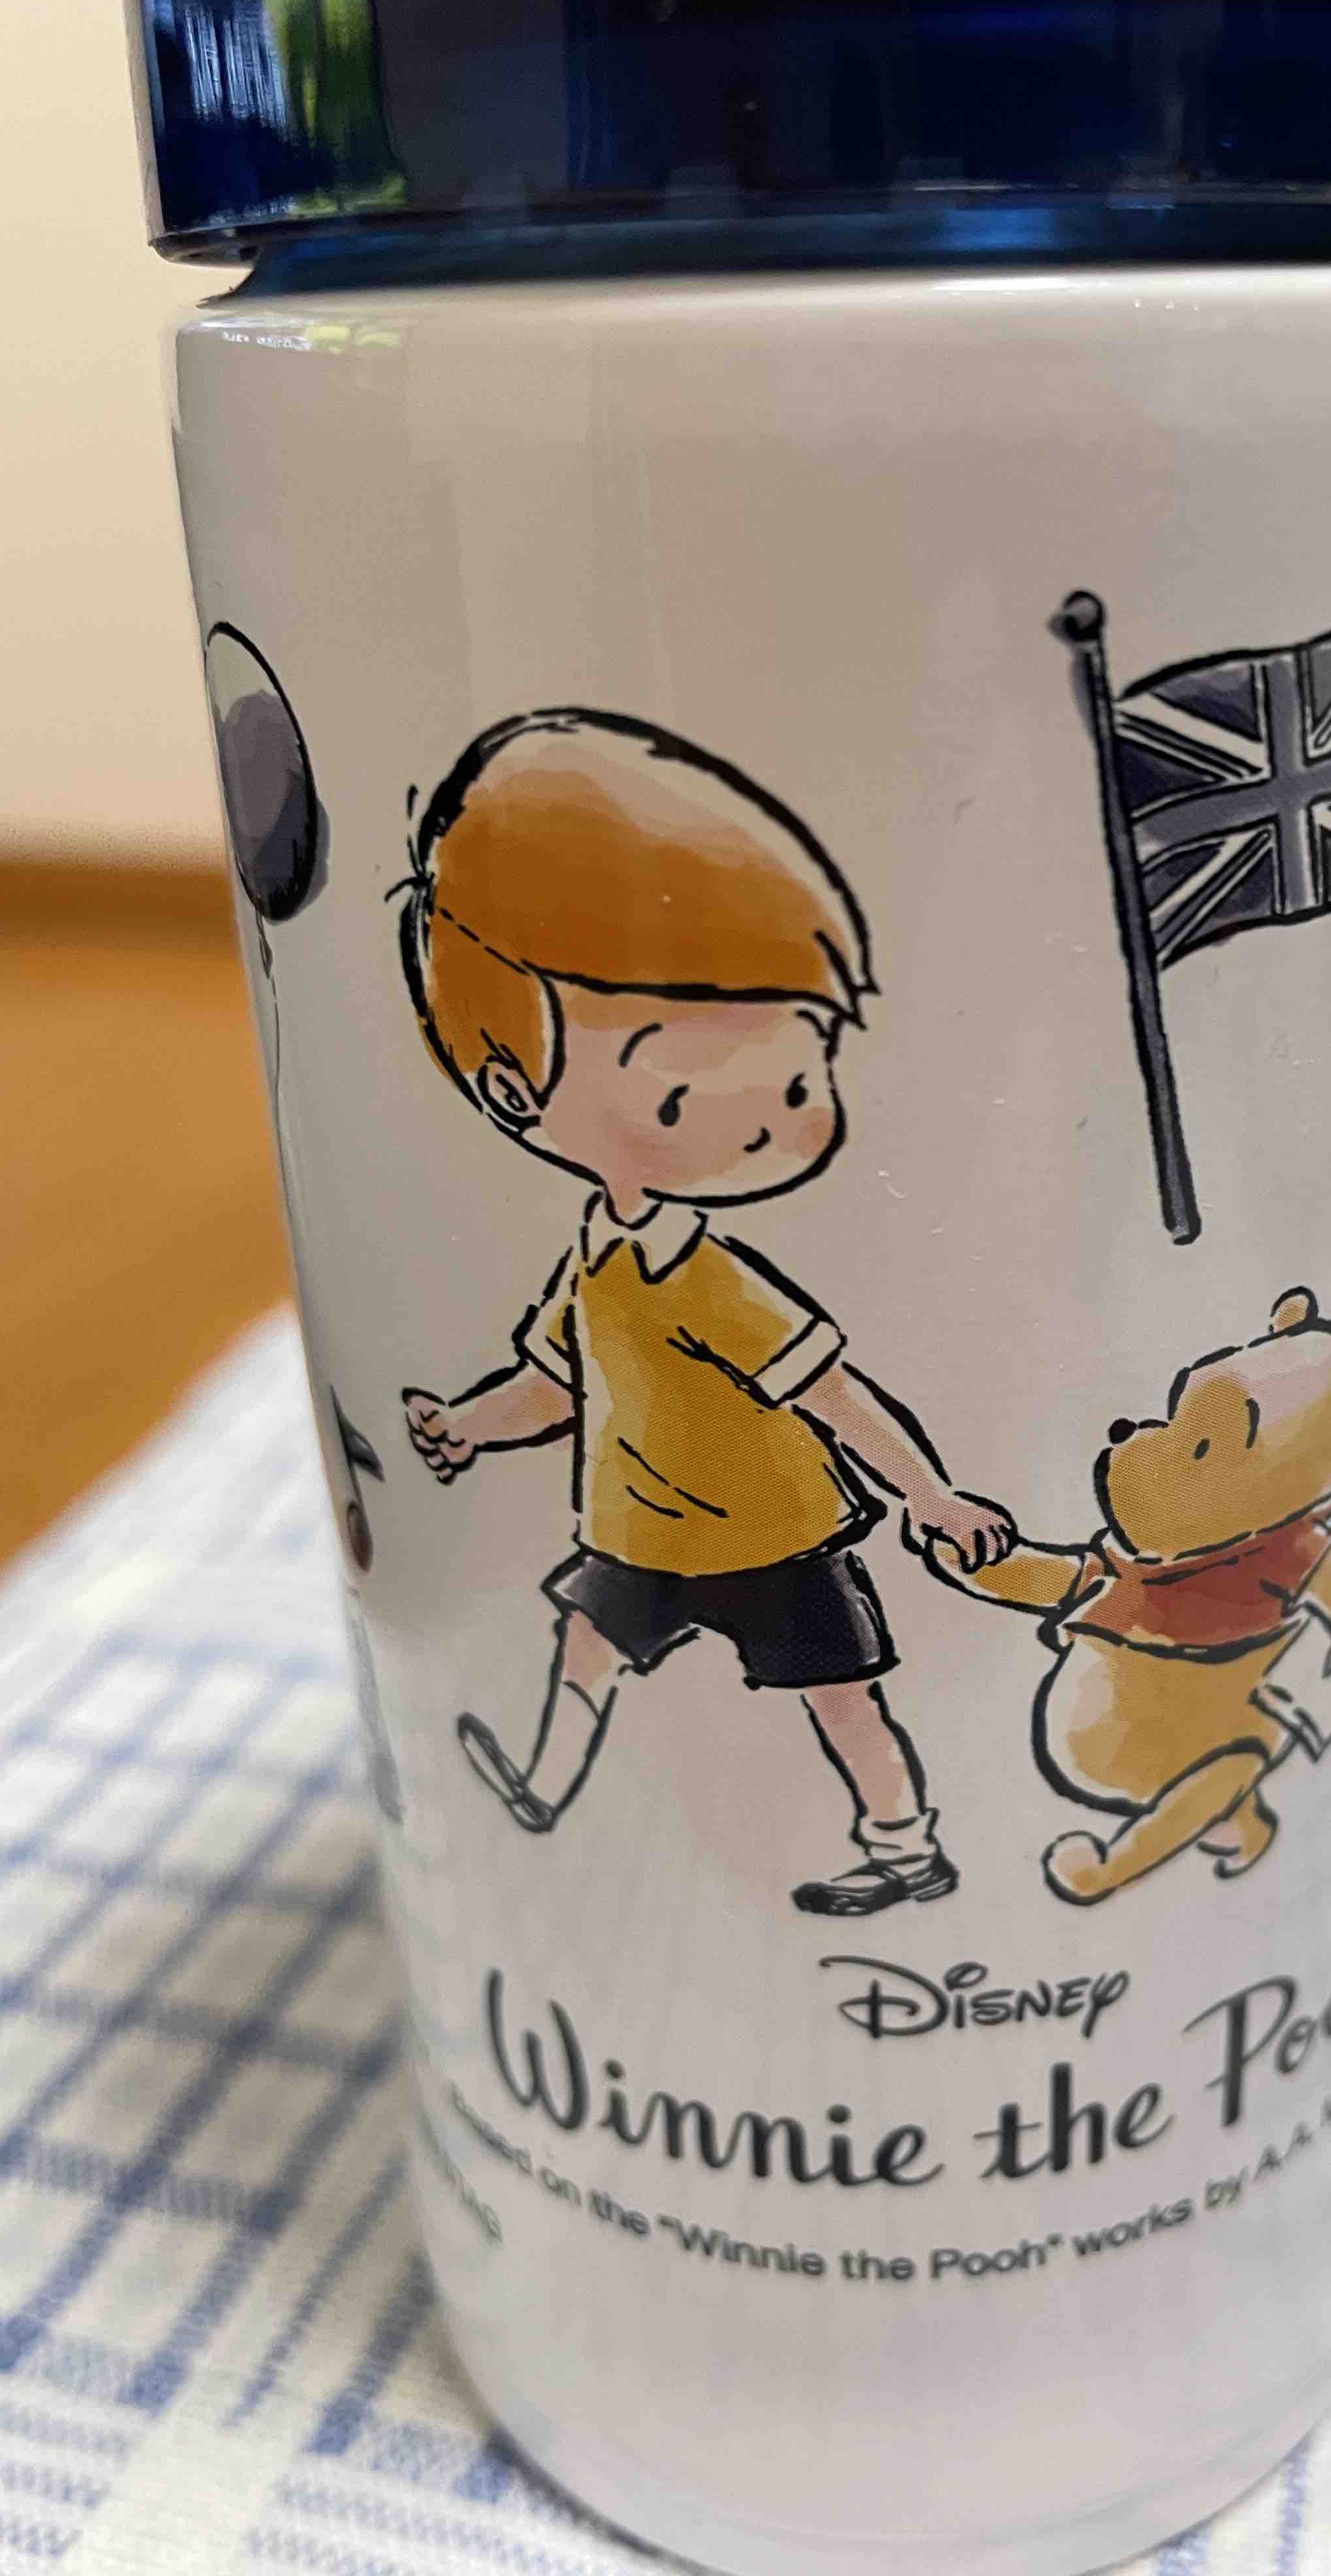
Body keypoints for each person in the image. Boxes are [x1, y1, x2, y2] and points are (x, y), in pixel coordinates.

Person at [397, 706, 1012, 1914]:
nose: (772, 1112)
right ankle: (541, 1792)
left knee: (843, 1700)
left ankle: (906, 1849)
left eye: (802, 1070)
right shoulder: (596, 1263)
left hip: (776, 1537)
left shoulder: (711, 1276)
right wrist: (464, 1428)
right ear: (512, 1086)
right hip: (644, 1531)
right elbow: (555, 1385)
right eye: (679, 1089)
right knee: (583, 1644)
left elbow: (834, 1396)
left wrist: (929, 1494)